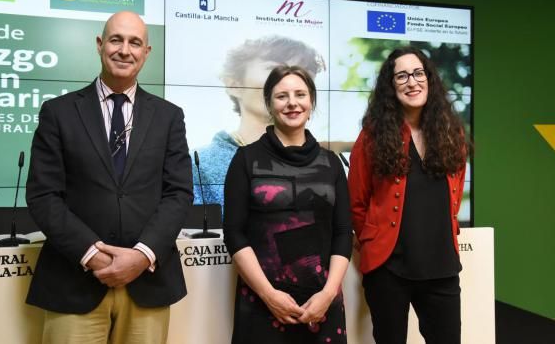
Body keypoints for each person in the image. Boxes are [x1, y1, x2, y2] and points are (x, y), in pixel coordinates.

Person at [25, 11, 193, 344]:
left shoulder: (169, 117)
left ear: (147, 52)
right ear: (100, 45)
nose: (124, 50)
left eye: (135, 43)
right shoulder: (58, 113)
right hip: (74, 279)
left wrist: (143, 254)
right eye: (116, 39)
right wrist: (92, 255)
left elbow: (179, 193)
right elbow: (44, 195)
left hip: (148, 282)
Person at [223, 65, 352, 343]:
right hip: (262, 302)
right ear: (269, 103)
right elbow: (234, 233)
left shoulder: (331, 163)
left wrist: (328, 295)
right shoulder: (246, 159)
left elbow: (343, 232)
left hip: (322, 303)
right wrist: (269, 295)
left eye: (300, 94)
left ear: (311, 101)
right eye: (282, 96)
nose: (292, 103)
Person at [348, 46, 467, 344]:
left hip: (441, 265)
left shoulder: (452, 133)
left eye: (417, 73)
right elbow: (356, 201)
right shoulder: (372, 136)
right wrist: (373, 243)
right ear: (390, 87)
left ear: (429, 79)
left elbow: (456, 191)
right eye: (401, 76)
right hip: (389, 269)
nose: (411, 82)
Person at [192, 36, 325, 211]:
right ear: (234, 84)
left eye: (302, 72)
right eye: (274, 68)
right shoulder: (200, 164)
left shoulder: (325, 161)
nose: (288, 81)